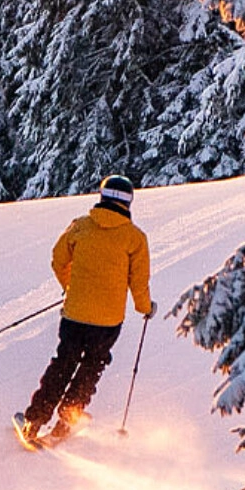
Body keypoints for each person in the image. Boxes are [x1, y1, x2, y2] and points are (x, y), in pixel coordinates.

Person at [19, 175, 152, 449]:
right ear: (128, 203)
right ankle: (67, 420)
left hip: (75, 315)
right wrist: (145, 308)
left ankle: (34, 421)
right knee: (92, 366)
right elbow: (138, 283)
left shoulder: (80, 227)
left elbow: (58, 261)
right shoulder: (135, 238)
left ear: (102, 196)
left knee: (63, 363)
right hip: (108, 321)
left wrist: (70, 286)